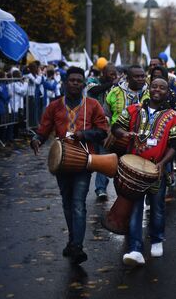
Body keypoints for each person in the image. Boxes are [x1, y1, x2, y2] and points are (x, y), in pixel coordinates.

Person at [30, 67, 108, 264]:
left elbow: (102, 131)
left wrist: (84, 134)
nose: (74, 83)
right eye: (71, 80)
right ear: (65, 83)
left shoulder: (92, 105)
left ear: (83, 84)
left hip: (83, 161)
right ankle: (73, 241)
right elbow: (44, 129)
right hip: (61, 162)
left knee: (78, 204)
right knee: (67, 203)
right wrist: (37, 139)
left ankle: (77, 246)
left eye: (78, 81)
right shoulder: (54, 106)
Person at [112, 77, 176, 266]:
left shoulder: (174, 116)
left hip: (157, 169)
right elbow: (116, 126)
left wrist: (162, 163)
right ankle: (136, 248)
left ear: (167, 92)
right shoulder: (134, 110)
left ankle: (157, 238)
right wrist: (123, 134)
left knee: (158, 207)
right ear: (149, 89)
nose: (157, 90)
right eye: (154, 86)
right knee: (135, 208)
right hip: (134, 170)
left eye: (162, 87)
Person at [87, 63, 118, 199]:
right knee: (89, 158)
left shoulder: (116, 86)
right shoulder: (92, 80)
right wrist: (112, 83)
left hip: (107, 127)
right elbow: (94, 91)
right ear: (103, 73)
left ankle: (100, 189)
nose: (114, 76)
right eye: (111, 74)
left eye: (115, 74)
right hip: (92, 126)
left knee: (104, 156)